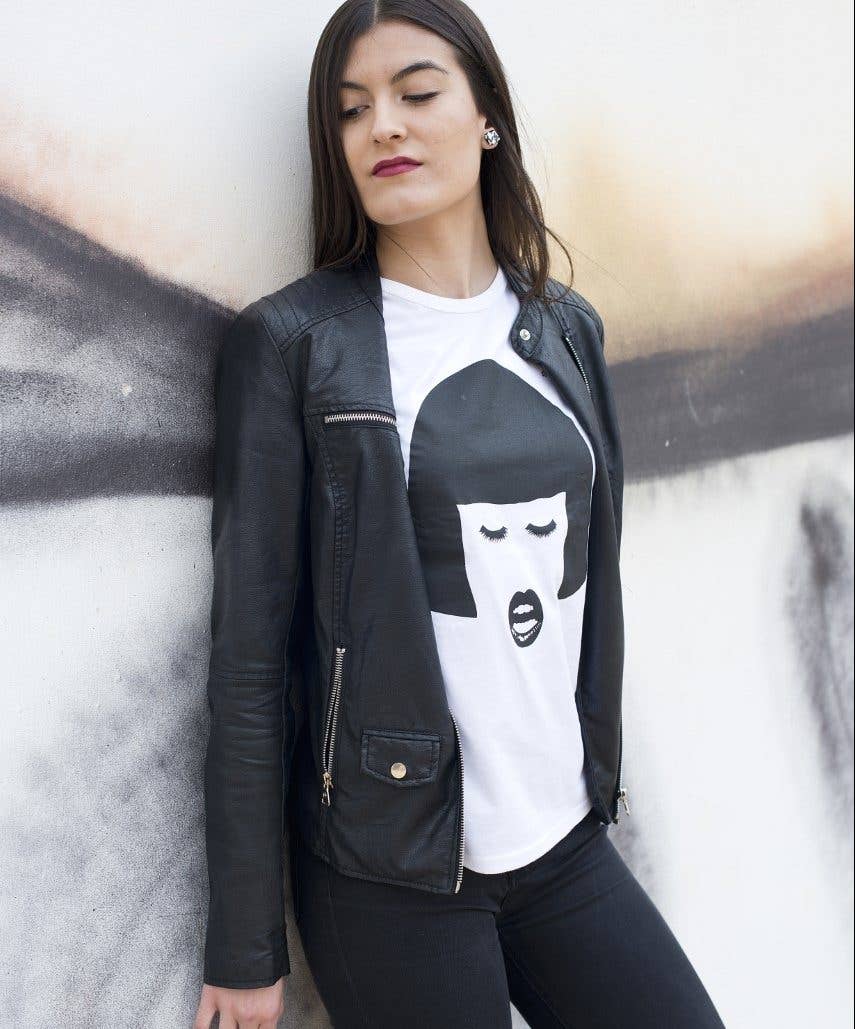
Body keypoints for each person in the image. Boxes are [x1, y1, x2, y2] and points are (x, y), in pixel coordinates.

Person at [194, 1, 728, 1027]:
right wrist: (245, 945)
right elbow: (249, 664)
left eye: (416, 93)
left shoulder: (566, 331)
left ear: (486, 117)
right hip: (393, 877)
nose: (383, 126)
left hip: (563, 841)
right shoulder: (297, 347)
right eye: (351, 111)